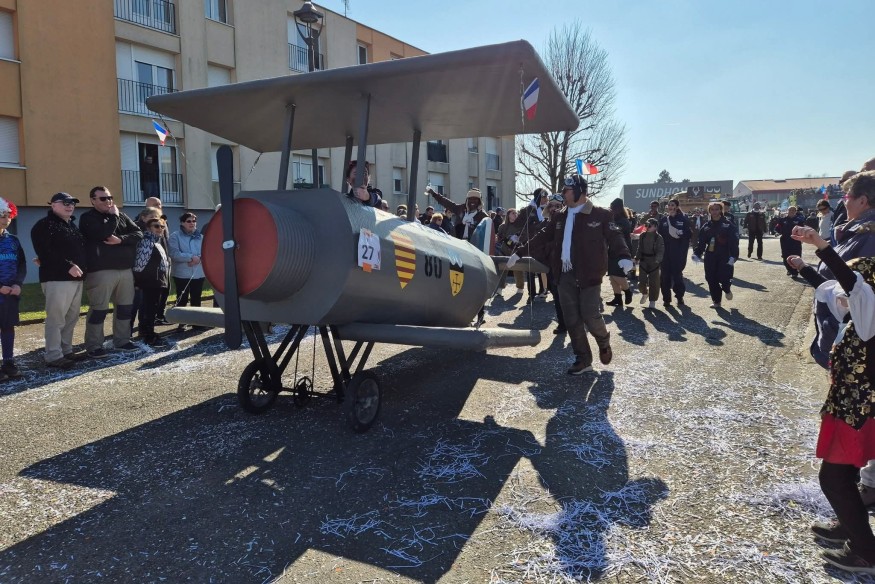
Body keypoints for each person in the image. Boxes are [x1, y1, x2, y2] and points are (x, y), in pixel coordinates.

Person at [791, 225, 875, 574]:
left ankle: (866, 552)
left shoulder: (870, 318)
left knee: (833, 479)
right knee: (846, 476)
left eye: (848, 294)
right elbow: (830, 289)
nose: (839, 299)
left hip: (859, 412)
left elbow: (851, 285)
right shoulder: (859, 318)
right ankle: (851, 525)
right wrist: (806, 269)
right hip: (850, 408)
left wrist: (822, 246)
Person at [507, 174, 632, 375]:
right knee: (572, 319)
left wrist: (624, 255)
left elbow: (615, 235)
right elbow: (542, 236)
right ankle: (583, 359)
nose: (563, 193)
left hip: (589, 274)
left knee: (591, 315)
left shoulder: (600, 214)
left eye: (567, 190)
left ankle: (603, 342)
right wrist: (519, 252)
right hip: (564, 274)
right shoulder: (560, 216)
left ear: (580, 191)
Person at [78, 186, 143, 357]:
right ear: (93, 200)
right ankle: (94, 345)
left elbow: (138, 233)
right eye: (103, 199)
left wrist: (121, 239)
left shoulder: (121, 215)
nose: (108, 201)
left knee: (125, 308)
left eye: (110, 197)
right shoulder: (88, 218)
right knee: (99, 309)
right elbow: (103, 234)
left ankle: (122, 340)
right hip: (101, 271)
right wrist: (113, 217)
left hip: (125, 270)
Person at [31, 193, 87, 369]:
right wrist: (66, 266)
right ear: (53, 205)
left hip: (76, 278)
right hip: (57, 279)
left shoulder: (71, 225)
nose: (69, 206)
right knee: (56, 319)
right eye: (65, 203)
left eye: (72, 203)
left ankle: (66, 350)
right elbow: (45, 252)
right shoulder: (44, 226)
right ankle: (53, 355)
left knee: (71, 317)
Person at [692, 201, 739, 308]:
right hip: (710, 256)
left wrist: (734, 256)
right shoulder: (706, 226)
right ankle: (716, 301)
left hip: (725, 255)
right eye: (712, 209)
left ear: (721, 210)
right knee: (710, 278)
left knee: (724, 277)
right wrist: (697, 254)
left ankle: (727, 289)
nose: (714, 212)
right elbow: (701, 243)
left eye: (717, 209)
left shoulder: (728, 225)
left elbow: (734, 242)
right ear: (709, 211)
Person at [133, 218, 171, 348]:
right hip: (149, 281)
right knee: (149, 309)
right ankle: (148, 335)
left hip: (158, 281)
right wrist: (138, 281)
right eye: (156, 226)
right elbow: (139, 264)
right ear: (148, 228)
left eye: (162, 226)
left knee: (152, 308)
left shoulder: (157, 241)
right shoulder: (146, 242)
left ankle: (148, 332)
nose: (160, 229)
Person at [0, 197, 25, 380]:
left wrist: (18, 283)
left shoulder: (13, 241)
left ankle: (8, 362)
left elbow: (22, 264)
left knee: (8, 327)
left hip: (10, 295)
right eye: (2, 215)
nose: (6, 218)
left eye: (8, 215)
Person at [168, 211, 205, 332]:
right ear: (182, 222)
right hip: (182, 273)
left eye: (194, 221)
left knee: (196, 298)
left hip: (198, 273)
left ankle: (197, 322)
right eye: (189, 221)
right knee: (182, 297)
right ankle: (182, 322)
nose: (192, 223)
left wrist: (197, 258)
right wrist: (190, 258)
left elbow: (207, 251)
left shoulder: (201, 236)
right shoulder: (175, 236)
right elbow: (174, 253)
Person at [657, 198, 692, 308]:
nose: (670, 207)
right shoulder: (663, 220)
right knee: (664, 277)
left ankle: (680, 297)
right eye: (669, 205)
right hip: (665, 254)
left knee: (677, 276)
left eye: (673, 205)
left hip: (677, 253)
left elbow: (689, 234)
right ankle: (666, 299)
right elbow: (658, 236)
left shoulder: (683, 219)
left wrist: (681, 234)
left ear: (676, 207)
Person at [605, 198, 634, 307]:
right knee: (612, 276)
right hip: (612, 250)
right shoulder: (614, 219)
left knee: (618, 275)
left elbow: (616, 232)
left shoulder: (623, 221)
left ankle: (627, 291)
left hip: (622, 251)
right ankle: (617, 298)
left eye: (612, 208)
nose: (611, 209)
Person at [635, 218, 664, 309]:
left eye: (650, 225)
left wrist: (657, 260)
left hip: (654, 262)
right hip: (643, 261)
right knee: (641, 282)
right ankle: (645, 293)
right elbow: (639, 248)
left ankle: (652, 301)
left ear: (655, 226)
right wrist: (637, 257)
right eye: (646, 225)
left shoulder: (658, 237)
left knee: (654, 282)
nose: (647, 227)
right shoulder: (642, 235)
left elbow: (661, 250)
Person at [776, 206, 805, 277]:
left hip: (796, 241)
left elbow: (803, 229)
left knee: (796, 256)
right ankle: (789, 269)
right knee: (785, 256)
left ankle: (794, 272)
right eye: (790, 210)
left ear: (795, 212)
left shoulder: (799, 220)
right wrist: (779, 231)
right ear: (787, 211)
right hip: (785, 241)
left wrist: (801, 237)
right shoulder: (782, 220)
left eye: (793, 210)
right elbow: (777, 228)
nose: (791, 212)